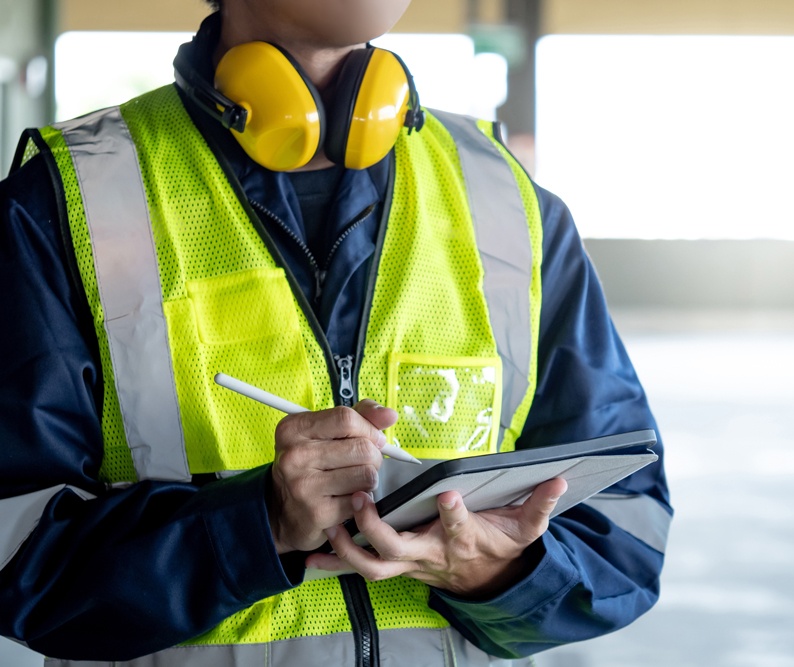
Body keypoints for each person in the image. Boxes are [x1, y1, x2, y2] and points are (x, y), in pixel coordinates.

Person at [0, 0, 672, 665]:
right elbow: (16, 559)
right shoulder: (67, 202)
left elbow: (625, 529)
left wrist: (495, 573)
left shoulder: (506, 201)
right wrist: (258, 523)